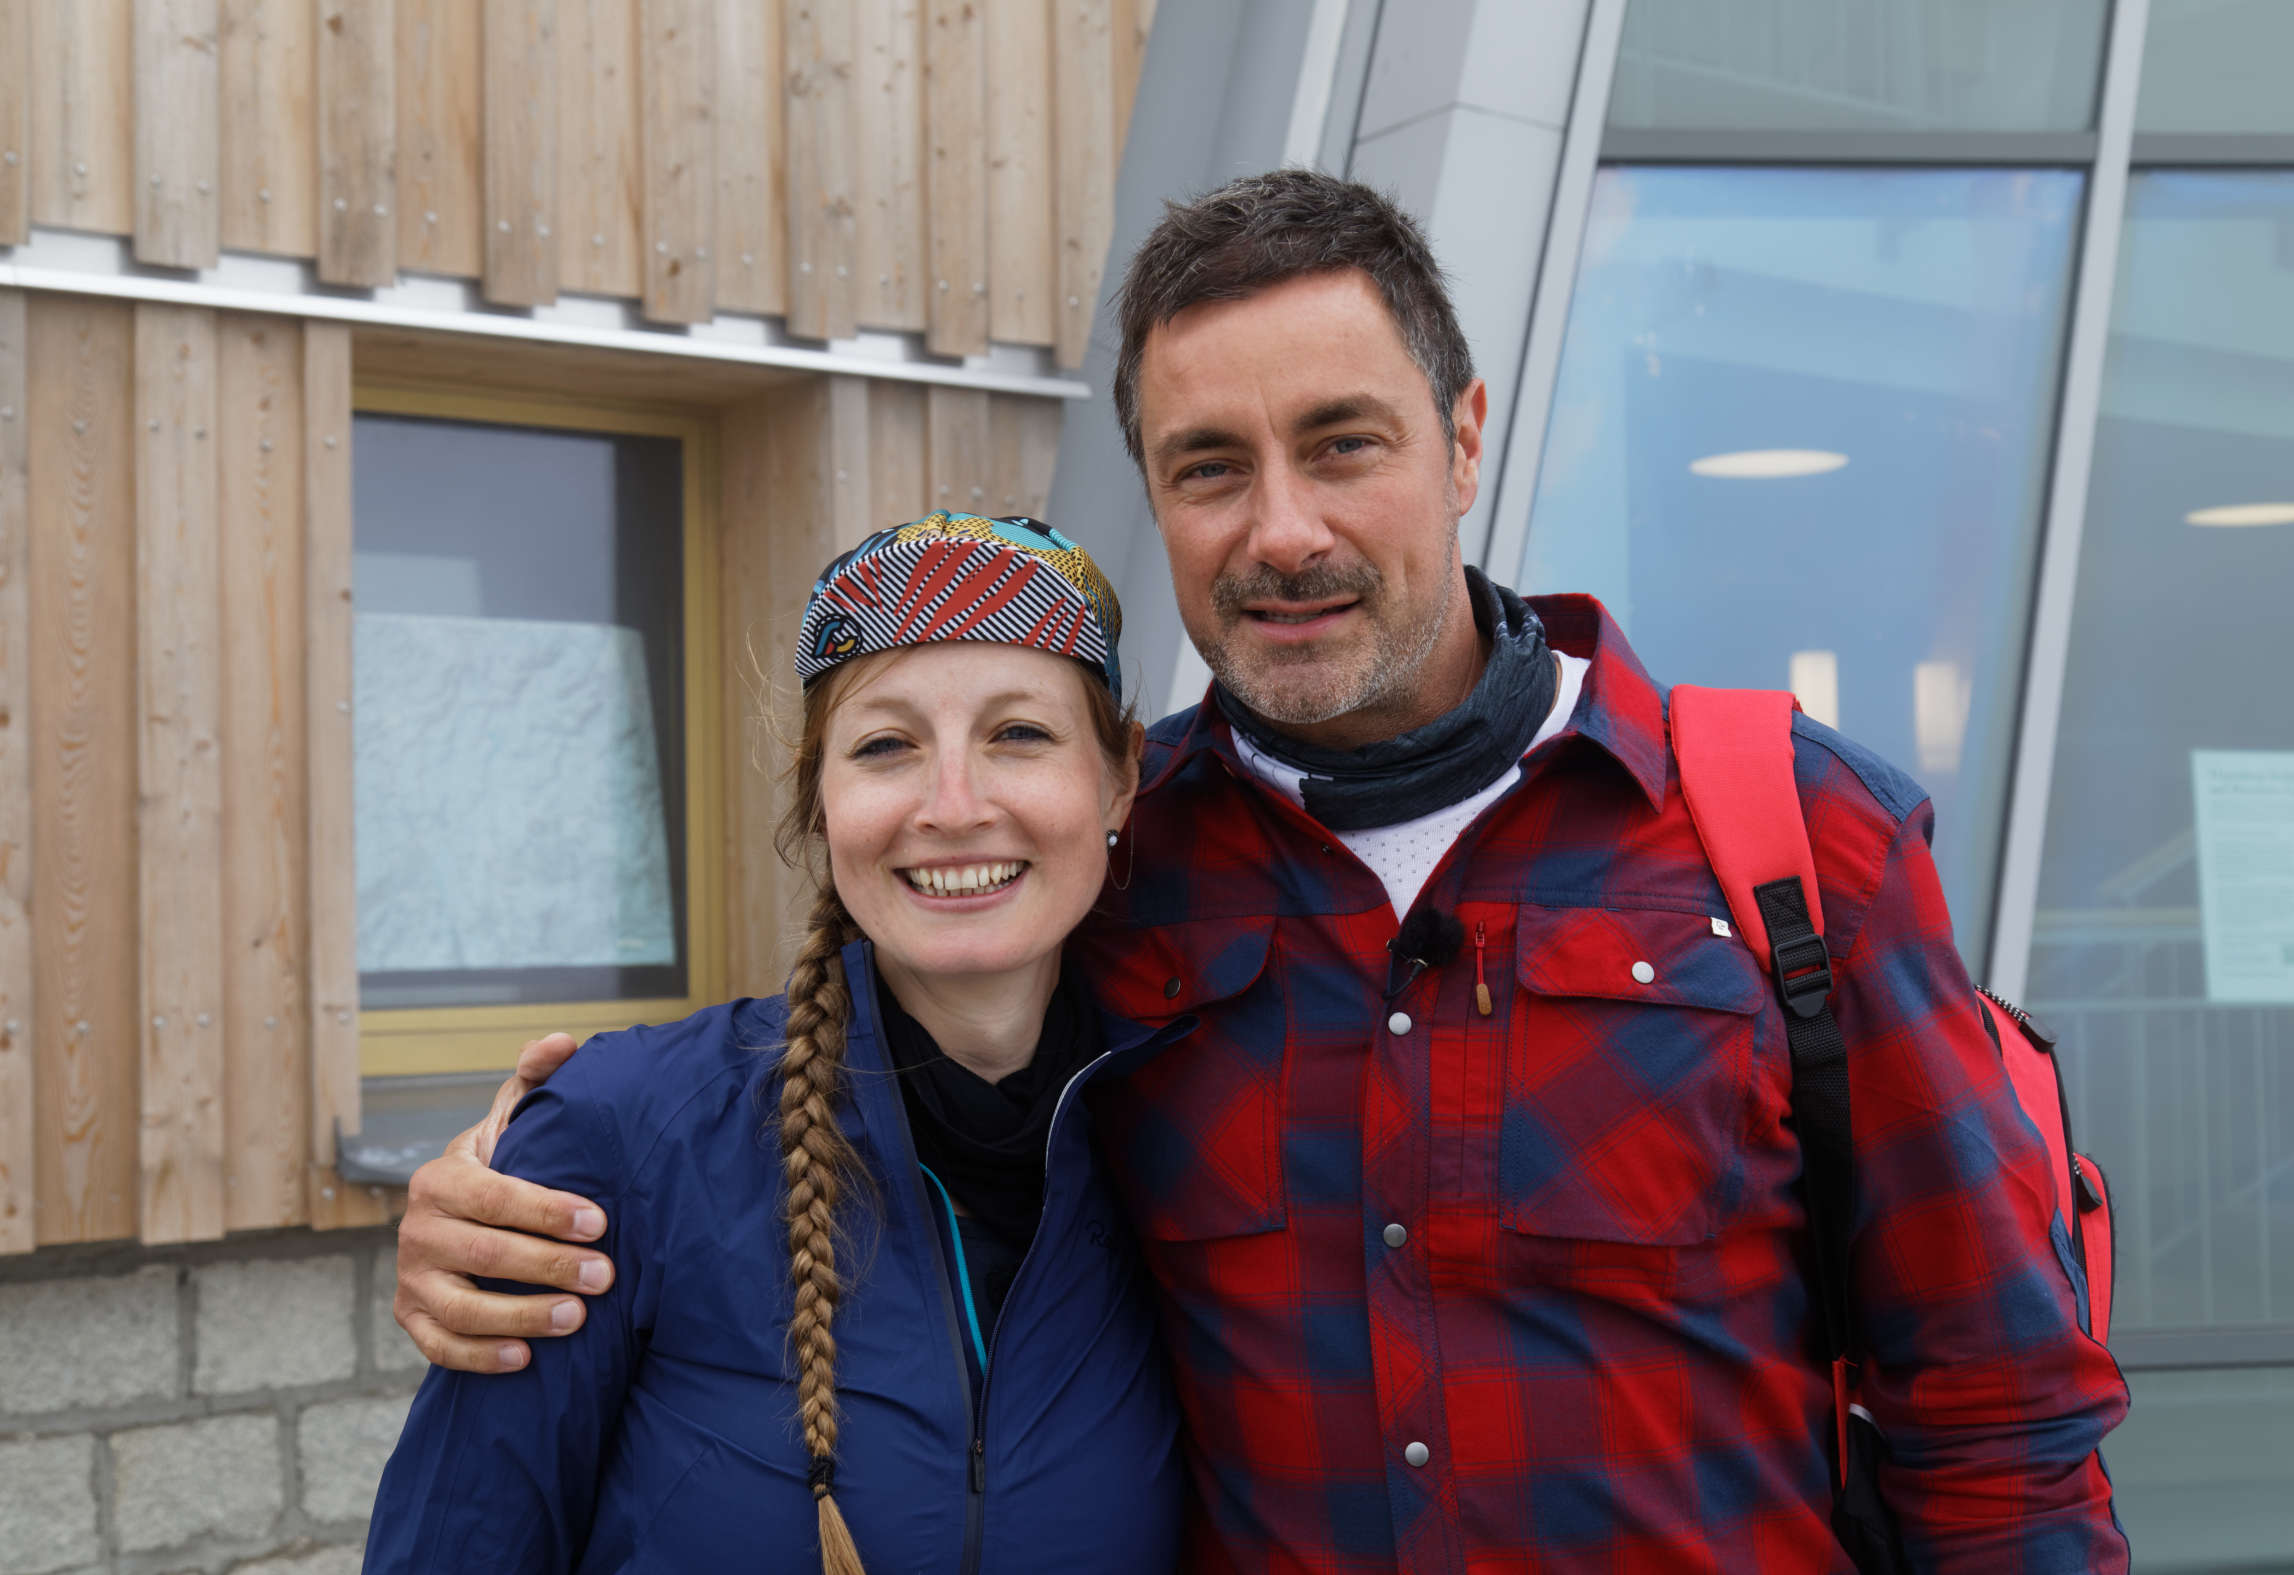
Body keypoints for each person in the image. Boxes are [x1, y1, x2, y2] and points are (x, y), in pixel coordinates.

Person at [392, 172, 2131, 1572]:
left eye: (1342, 442)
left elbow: (1992, 1410)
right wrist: (510, 1180)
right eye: (1208, 468)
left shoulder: (1784, 842)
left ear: (1459, 441)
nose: (1280, 528)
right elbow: (882, 1084)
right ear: (1155, 500)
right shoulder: (1120, 862)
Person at [365, 514, 1189, 1573]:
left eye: (1017, 734)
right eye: (885, 746)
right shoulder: (623, 1137)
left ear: (1120, 779)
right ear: (820, 800)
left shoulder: (1197, 1129)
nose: (952, 806)